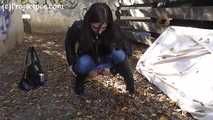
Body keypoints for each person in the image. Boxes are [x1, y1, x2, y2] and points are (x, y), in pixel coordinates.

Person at [65, 2, 134, 95]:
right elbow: (69, 43)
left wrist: (112, 70)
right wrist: (71, 64)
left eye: (104, 28)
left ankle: (131, 87)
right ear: (88, 21)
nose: (100, 32)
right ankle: (79, 84)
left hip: (107, 59)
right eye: (95, 27)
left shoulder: (113, 28)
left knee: (120, 54)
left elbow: (128, 50)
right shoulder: (78, 27)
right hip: (90, 58)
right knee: (82, 64)